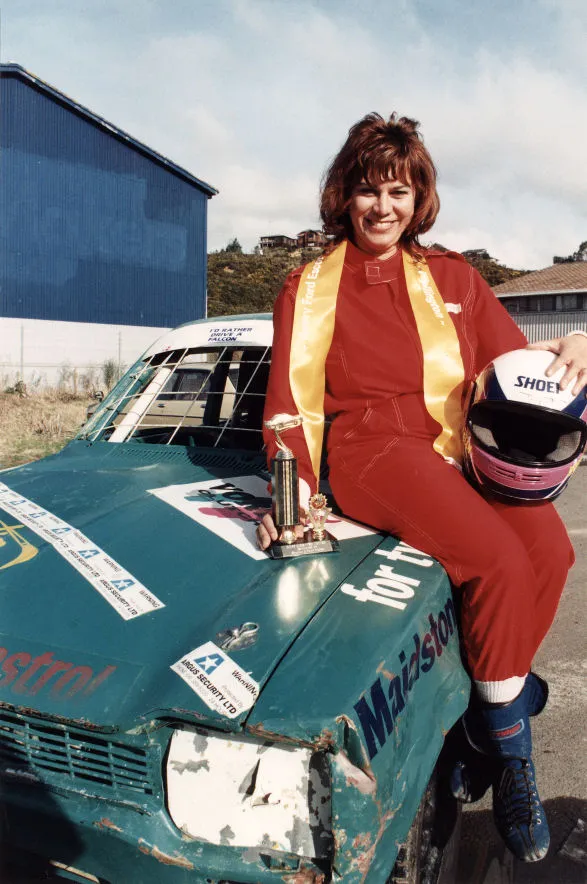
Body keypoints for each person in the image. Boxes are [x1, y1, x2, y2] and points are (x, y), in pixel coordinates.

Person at [256, 112, 587, 863]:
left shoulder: (453, 279)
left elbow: (513, 367)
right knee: (495, 561)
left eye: (399, 191)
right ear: (344, 195)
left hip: (452, 445)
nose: (383, 207)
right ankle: (511, 760)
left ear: (418, 199)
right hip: (372, 450)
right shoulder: (305, 287)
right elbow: (284, 401)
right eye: (369, 190)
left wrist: (574, 343)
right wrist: (290, 495)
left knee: (547, 553)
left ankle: (482, 718)